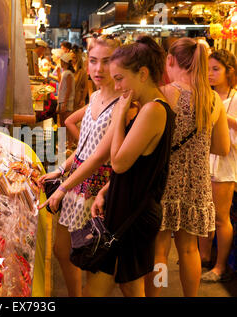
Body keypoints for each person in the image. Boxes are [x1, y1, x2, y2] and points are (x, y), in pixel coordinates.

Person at [85, 36, 175, 297]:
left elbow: (119, 162)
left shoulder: (152, 110)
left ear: (143, 74)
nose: (117, 85)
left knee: (102, 286)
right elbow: (139, 164)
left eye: (120, 78)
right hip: (129, 206)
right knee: (129, 284)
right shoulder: (150, 107)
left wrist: (119, 116)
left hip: (133, 213)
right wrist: (107, 190)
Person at [144, 38, 230, 297]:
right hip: (197, 183)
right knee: (190, 248)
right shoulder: (213, 99)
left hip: (164, 182)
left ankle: (155, 296)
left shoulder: (164, 95)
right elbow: (222, 148)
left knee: (159, 250)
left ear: (170, 60)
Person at [38, 34, 121, 297]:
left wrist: (63, 186)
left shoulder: (124, 103)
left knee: (92, 259)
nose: (98, 68)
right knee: (62, 251)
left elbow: (99, 156)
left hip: (99, 191)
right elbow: (85, 149)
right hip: (77, 184)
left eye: (106, 62)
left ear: (119, 64)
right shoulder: (95, 97)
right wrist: (61, 170)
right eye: (94, 61)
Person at [198, 49, 237, 283]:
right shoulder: (207, 96)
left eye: (216, 69)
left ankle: (220, 266)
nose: (210, 74)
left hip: (224, 165)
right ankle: (202, 256)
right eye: (208, 69)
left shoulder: (233, 99)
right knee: (204, 213)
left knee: (221, 217)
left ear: (229, 71)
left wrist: (223, 117)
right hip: (203, 163)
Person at [57, 52, 76, 137]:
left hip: (66, 102)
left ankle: (68, 144)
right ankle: (63, 144)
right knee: (62, 124)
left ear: (65, 62)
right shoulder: (65, 72)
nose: (60, 63)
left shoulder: (68, 73)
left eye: (61, 61)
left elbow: (68, 89)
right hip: (62, 101)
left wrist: (64, 102)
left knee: (65, 124)